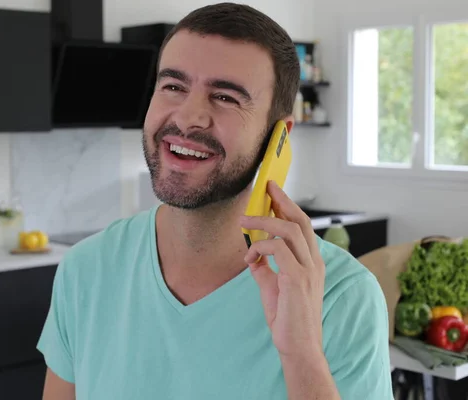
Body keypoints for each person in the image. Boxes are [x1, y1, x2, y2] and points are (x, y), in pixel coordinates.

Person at [37, 3, 393, 399]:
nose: (189, 117)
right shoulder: (87, 270)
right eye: (173, 86)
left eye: (225, 97)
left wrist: (302, 354)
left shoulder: (342, 297)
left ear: (279, 137)